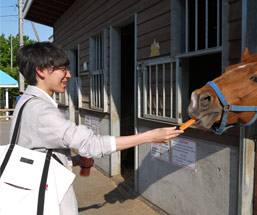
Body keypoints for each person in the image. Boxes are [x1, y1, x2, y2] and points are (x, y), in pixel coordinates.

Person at [13, 42, 183, 214]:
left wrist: (73, 160)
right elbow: (93, 144)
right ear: (41, 70)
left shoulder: (26, 102)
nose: (69, 75)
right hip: (46, 200)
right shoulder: (42, 111)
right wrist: (150, 136)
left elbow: (34, 155)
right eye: (63, 69)